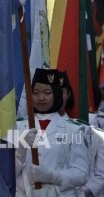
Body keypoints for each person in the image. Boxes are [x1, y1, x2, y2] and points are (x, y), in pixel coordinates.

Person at [15, 68, 89, 196]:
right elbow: (6, 173)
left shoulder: (74, 129)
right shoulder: (18, 126)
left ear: (57, 94)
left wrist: (52, 176)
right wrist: (20, 151)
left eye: (47, 92)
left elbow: (81, 174)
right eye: (35, 92)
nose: (41, 98)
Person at [57, 72, 104, 196]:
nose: (56, 97)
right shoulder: (32, 126)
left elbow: (102, 172)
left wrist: (82, 192)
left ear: (68, 94)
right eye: (51, 92)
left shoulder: (92, 123)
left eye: (61, 92)